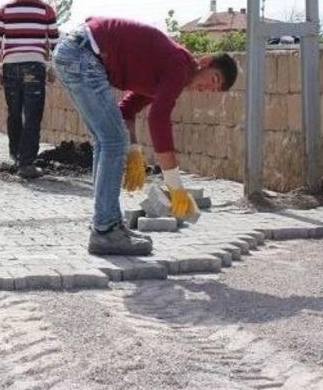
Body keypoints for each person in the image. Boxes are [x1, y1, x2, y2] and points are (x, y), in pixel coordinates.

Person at [51, 17, 238, 256]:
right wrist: (174, 183)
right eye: (214, 80)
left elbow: (127, 109)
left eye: (215, 90)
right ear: (206, 62)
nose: (209, 89)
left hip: (75, 51)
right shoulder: (180, 66)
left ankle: (106, 224)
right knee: (113, 140)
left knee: (107, 139)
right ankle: (105, 230)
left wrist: (134, 151)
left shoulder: (169, 72)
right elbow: (158, 119)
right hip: (83, 54)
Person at [0, 0, 60, 179]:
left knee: (14, 111)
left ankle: (15, 154)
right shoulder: (46, 10)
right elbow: (55, 44)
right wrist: (52, 68)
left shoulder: (5, 10)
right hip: (34, 67)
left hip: (10, 67)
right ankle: (26, 163)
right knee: (32, 114)